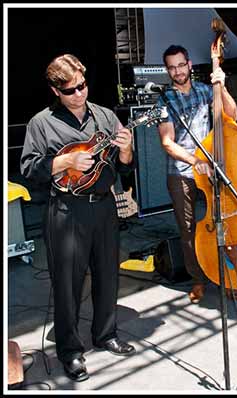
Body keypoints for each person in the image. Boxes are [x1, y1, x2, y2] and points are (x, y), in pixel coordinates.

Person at [20, 54, 136, 382]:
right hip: (66, 210)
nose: (80, 94)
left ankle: (105, 334)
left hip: (103, 206)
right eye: (71, 90)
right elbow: (28, 168)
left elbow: (126, 165)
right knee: (68, 283)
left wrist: (126, 150)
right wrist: (66, 162)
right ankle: (70, 351)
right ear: (56, 90)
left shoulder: (106, 116)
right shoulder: (41, 123)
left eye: (83, 85)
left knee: (107, 274)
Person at [156, 45, 237, 303]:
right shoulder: (164, 100)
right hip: (180, 171)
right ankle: (199, 279)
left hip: (213, 169)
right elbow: (168, 143)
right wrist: (195, 161)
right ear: (167, 70)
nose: (177, 71)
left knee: (223, 223)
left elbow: (232, 115)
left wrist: (221, 86)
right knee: (188, 229)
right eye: (172, 67)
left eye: (181, 65)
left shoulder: (206, 91)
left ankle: (227, 277)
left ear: (190, 64)